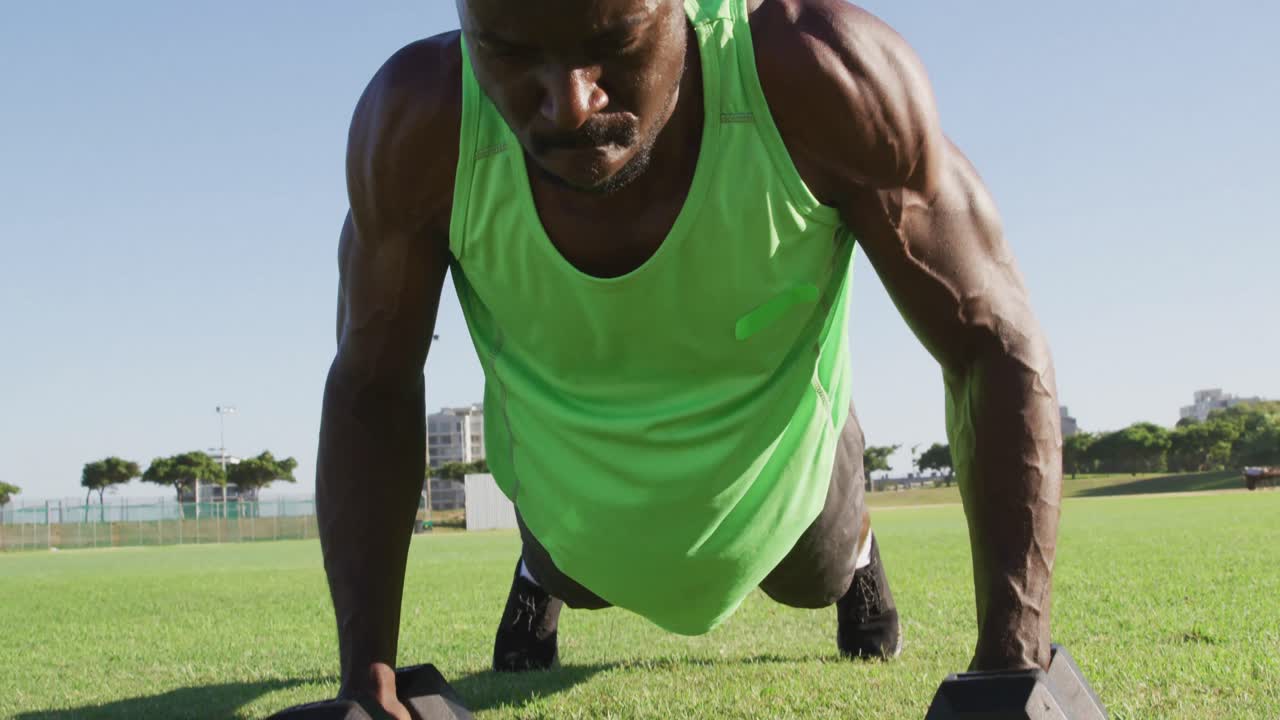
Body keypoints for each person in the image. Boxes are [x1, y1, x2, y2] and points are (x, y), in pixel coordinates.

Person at [316, 0, 1063, 716]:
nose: (570, 104)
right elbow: (372, 383)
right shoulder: (420, 120)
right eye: (510, 53)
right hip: (570, 470)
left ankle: (858, 552)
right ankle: (538, 571)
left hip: (774, 463)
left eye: (613, 44)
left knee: (816, 575)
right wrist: (366, 676)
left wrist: (1013, 664)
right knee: (573, 569)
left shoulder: (820, 73)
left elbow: (989, 339)